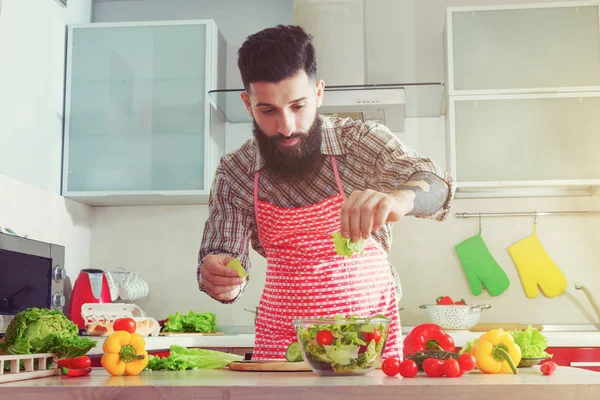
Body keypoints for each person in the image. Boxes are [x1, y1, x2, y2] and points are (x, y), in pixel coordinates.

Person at [197, 25, 454, 361]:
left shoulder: (360, 142)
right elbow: (224, 259)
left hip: (368, 344)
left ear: (319, 93)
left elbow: (439, 186)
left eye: (298, 106)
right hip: (282, 347)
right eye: (268, 110)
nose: (286, 126)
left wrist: (400, 199)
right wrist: (221, 278)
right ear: (247, 104)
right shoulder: (236, 172)